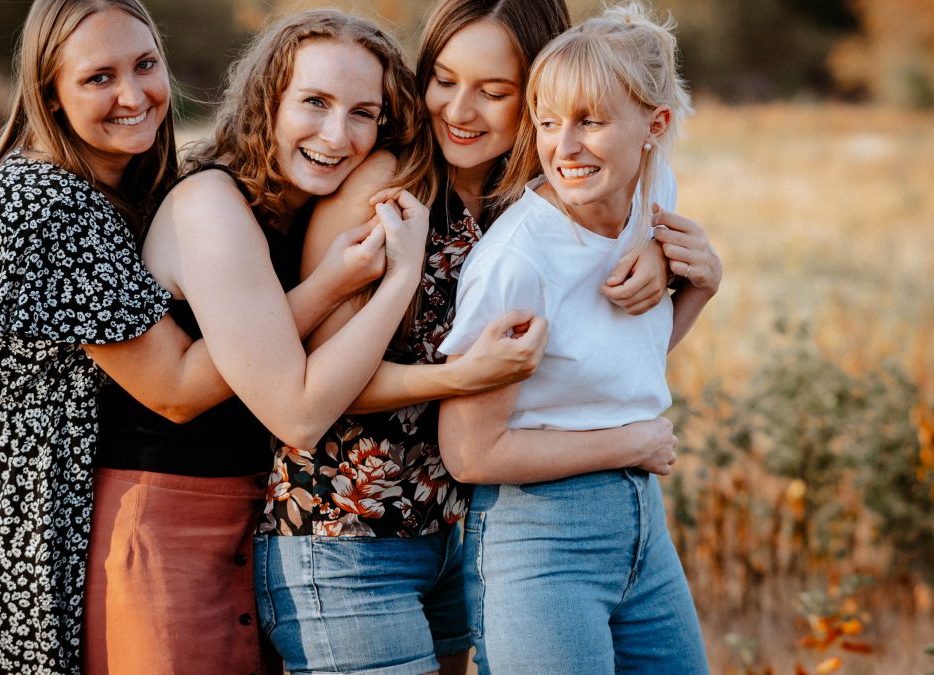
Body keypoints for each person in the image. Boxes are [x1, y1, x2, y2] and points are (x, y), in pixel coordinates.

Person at [253, 1, 712, 673]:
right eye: (443, 80)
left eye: (493, 92)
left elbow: (577, 360)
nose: (459, 110)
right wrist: (461, 376)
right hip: (349, 534)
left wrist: (662, 254)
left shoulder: (535, 189)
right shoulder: (385, 186)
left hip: (451, 532)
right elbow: (317, 381)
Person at [0, 0, 261, 671]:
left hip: (13, 521)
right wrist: (324, 287)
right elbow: (177, 389)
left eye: (145, 64)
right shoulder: (48, 204)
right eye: (99, 77)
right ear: (50, 95)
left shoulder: (107, 189)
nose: (133, 94)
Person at [82, 10, 433, 675]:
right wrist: (397, 279)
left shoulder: (301, 211)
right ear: (267, 101)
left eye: (363, 113)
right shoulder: (212, 204)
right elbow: (297, 412)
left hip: (254, 518)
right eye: (315, 102)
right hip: (166, 525)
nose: (337, 135)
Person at [437, 2, 721, 673]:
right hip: (539, 539)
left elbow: (617, 364)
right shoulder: (516, 263)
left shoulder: (654, 194)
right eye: (547, 122)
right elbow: (470, 452)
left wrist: (701, 284)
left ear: (655, 126)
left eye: (590, 122)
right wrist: (630, 443)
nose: (563, 148)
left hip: (642, 525)